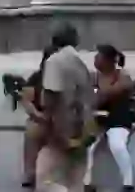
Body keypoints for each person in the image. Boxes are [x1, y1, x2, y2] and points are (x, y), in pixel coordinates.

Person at [37, 23, 96, 192]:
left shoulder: (54, 62)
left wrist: (54, 131)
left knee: (45, 179)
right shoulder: (80, 63)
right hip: (82, 129)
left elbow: (51, 99)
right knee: (75, 180)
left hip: (62, 130)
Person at [83, 44, 135, 192]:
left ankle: (128, 182)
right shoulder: (93, 77)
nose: (95, 59)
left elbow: (129, 88)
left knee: (117, 145)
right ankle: (86, 183)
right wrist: (108, 93)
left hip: (118, 119)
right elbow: (91, 98)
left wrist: (103, 94)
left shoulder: (122, 76)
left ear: (108, 61)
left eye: (98, 56)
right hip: (97, 119)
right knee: (87, 146)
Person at [20, 47, 55, 189]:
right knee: (32, 131)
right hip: (39, 117)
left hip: (59, 118)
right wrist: (38, 115)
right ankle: (30, 173)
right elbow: (27, 100)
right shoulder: (36, 78)